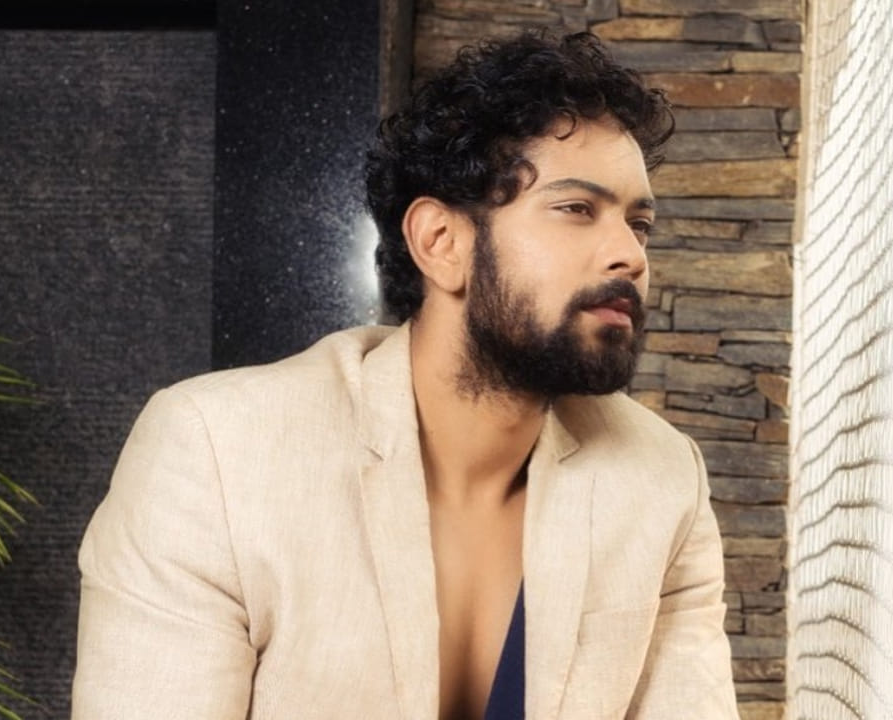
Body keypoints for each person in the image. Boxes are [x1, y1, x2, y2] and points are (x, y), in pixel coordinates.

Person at [72, 30, 739, 720]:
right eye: (577, 210)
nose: (630, 254)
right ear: (440, 243)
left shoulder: (661, 479)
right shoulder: (218, 454)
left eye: (639, 223)